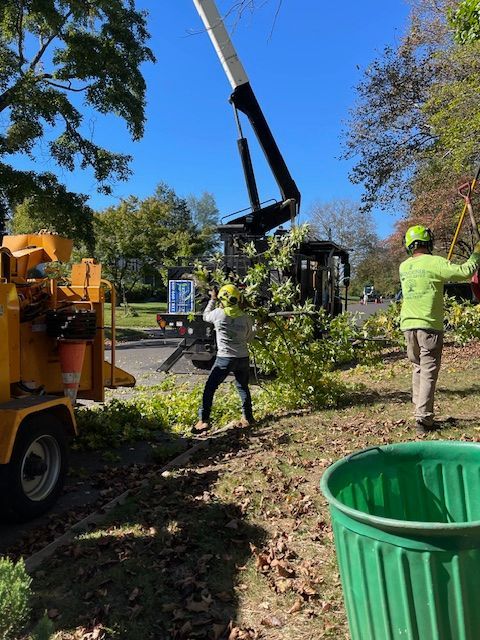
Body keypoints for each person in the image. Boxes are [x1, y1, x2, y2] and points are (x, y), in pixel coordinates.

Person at [399, 224, 480, 434]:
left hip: (408, 326)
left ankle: (419, 411)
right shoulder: (435, 263)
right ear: (429, 243)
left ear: (409, 245)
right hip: (429, 326)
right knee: (428, 371)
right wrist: (477, 253)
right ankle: (424, 419)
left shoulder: (404, 267)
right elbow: (465, 272)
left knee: (418, 367)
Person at [194, 283, 254, 432]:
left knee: (210, 388)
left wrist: (212, 300)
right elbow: (248, 337)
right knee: (242, 387)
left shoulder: (218, 314)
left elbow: (205, 315)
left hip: (225, 358)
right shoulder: (246, 317)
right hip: (243, 357)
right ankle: (248, 417)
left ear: (222, 299)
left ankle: (203, 420)